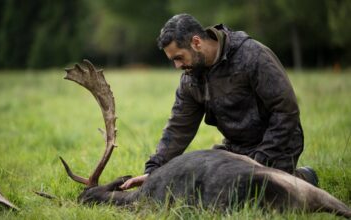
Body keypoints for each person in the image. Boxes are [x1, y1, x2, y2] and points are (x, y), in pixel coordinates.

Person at [120, 14, 318, 190]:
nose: (177, 65)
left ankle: (302, 179)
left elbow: (286, 111)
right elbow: (178, 127)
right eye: (173, 60)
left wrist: (260, 160)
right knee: (203, 186)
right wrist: (154, 171)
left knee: (249, 195)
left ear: (196, 42)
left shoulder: (252, 55)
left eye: (179, 57)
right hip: (234, 150)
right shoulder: (190, 78)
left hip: (278, 145)